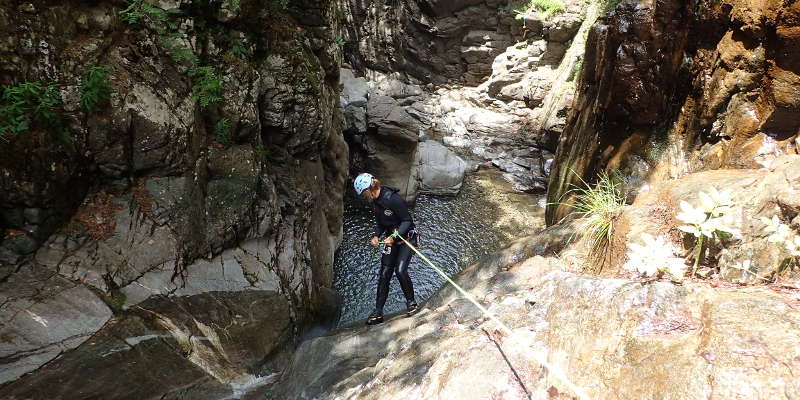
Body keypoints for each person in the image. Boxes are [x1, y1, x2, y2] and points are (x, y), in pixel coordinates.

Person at [353, 172, 419, 325]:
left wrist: (394, 237)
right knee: (384, 274)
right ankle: (378, 311)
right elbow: (381, 223)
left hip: (406, 238)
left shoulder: (393, 199)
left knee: (400, 270)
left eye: (363, 193)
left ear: (369, 189)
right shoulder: (376, 203)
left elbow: (407, 221)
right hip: (390, 240)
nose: (364, 197)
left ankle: (411, 302)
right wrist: (376, 236)